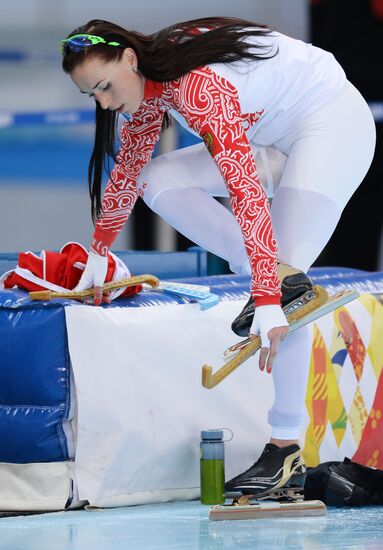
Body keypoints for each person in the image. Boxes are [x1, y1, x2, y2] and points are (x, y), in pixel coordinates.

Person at [61, 17, 376, 498]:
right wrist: (100, 250)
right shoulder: (149, 86)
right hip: (274, 139)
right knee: (158, 181)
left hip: (330, 129)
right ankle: (277, 275)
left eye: (104, 86)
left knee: (284, 282)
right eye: (93, 95)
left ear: (129, 58)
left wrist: (268, 293)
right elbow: (128, 172)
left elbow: (243, 189)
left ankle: (284, 447)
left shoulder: (200, 88)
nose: (104, 102)